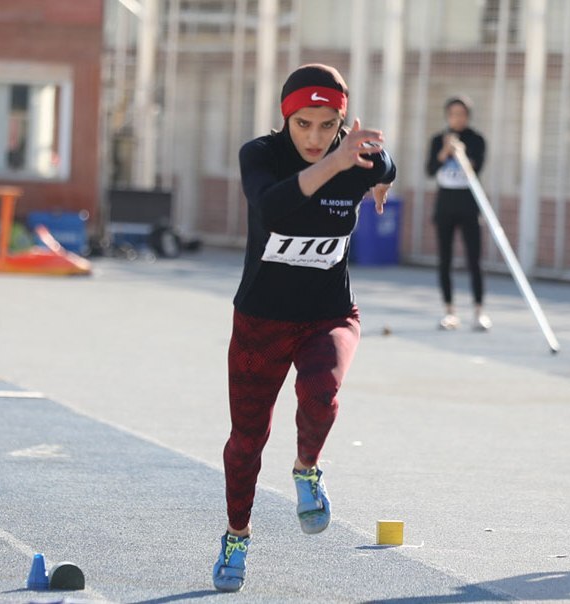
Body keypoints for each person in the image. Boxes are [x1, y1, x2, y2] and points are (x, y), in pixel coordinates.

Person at [212, 63, 396, 593]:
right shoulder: (260, 155)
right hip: (262, 319)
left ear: (342, 121)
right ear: (286, 118)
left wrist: (381, 179)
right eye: (303, 124)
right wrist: (338, 162)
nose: (315, 137)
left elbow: (388, 164)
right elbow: (273, 209)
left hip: (329, 313)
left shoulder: (357, 157)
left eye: (327, 125)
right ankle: (237, 536)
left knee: (321, 392)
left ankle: (307, 468)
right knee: (247, 440)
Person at [425, 96, 490, 331]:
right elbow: (430, 170)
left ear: (467, 116)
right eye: (453, 114)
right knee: (445, 260)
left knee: (474, 259)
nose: (457, 118)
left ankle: (479, 311)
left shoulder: (476, 140)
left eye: (461, 114)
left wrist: (461, 153)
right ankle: (449, 311)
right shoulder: (438, 140)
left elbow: (477, 167)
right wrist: (444, 151)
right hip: (445, 207)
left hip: (469, 207)